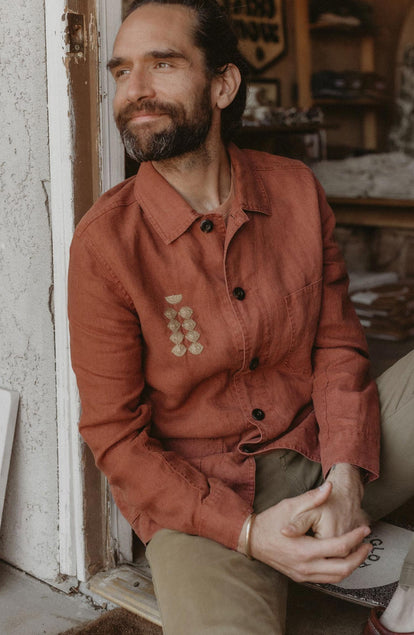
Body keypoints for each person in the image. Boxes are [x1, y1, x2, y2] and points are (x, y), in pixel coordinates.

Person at [68, 0, 414, 633]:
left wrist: (343, 478)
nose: (135, 91)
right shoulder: (105, 245)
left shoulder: (295, 191)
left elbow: (338, 347)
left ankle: (395, 609)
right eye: (122, 72)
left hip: (315, 448)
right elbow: (116, 438)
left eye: (163, 64)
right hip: (206, 502)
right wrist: (252, 534)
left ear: (222, 85)